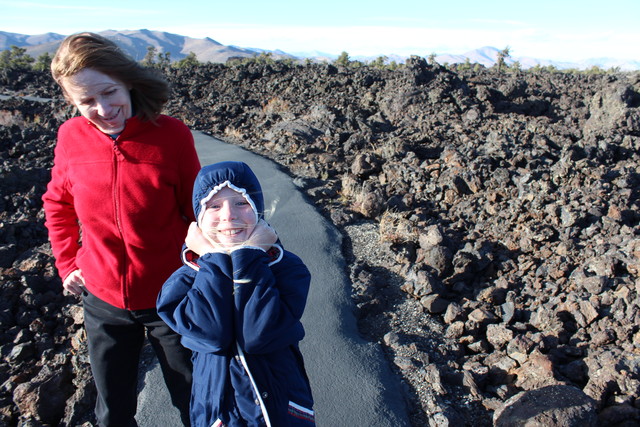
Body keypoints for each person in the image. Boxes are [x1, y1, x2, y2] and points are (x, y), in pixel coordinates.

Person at [42, 32, 200, 426]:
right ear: (70, 102)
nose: (103, 108)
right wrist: (67, 263)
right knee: (112, 409)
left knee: (195, 397)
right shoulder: (70, 138)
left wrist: (206, 270)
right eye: (86, 102)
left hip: (171, 297)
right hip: (103, 298)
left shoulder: (171, 135)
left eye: (109, 92)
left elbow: (197, 211)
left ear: (127, 80)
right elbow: (58, 203)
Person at [156, 161, 315, 427]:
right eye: (214, 206)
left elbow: (258, 335)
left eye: (241, 203)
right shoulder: (181, 283)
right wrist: (213, 261)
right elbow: (212, 334)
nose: (229, 215)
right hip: (219, 413)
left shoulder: (287, 269)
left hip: (281, 409)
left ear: (258, 210)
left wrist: (249, 257)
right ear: (198, 218)